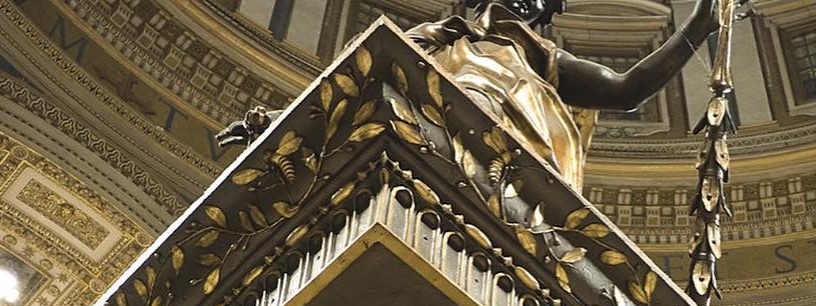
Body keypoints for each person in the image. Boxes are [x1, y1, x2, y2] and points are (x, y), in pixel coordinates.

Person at [218, 0, 718, 192]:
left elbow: (627, 89)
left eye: (539, 0)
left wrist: (700, 23)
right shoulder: (440, 38)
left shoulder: (541, 61)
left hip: (522, 164)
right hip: (435, 140)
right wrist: (281, 123)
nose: (529, 0)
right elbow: (358, 77)